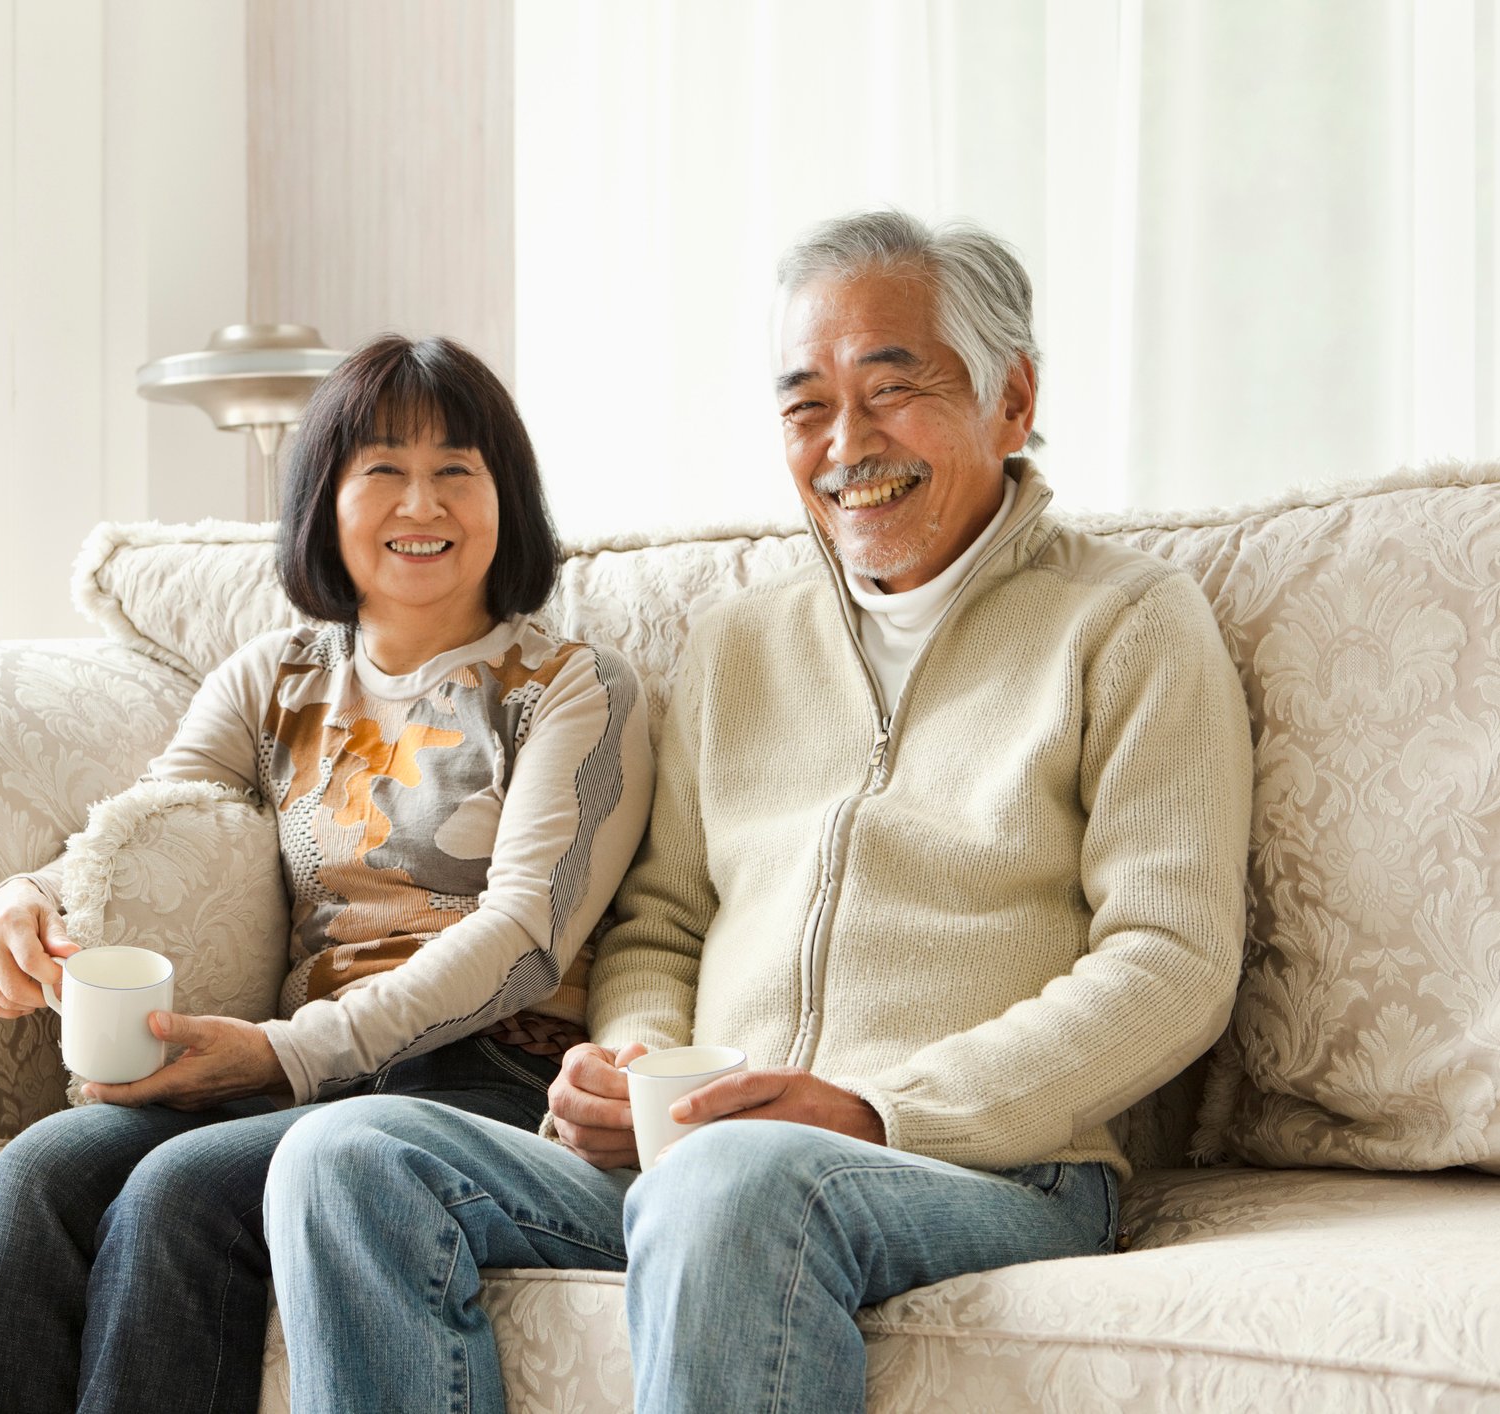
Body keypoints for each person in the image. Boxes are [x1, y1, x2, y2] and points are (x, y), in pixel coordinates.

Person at [263, 211, 1254, 1413]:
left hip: (989, 1162)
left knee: (734, 1177)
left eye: (892, 390)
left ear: (1011, 398)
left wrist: (880, 1107)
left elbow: (1171, 959)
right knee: (343, 1157)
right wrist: (634, 1066)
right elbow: (662, 924)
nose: (847, 444)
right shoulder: (739, 644)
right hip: (707, 1154)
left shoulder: (1128, 623)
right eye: (805, 406)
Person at [0, 333, 653, 1414]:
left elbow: (525, 936)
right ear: (325, 499)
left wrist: (281, 1056)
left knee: (180, 1193)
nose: (424, 503)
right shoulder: (274, 679)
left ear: (510, 499)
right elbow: (155, 815)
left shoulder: (571, 687)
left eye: (459, 469)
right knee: (31, 1180)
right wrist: (26, 896)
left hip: (481, 1081)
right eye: (384, 471)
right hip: (290, 1070)